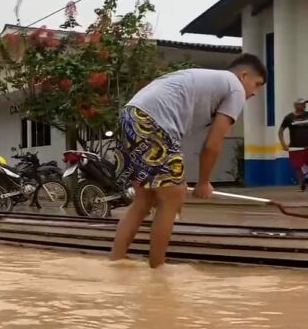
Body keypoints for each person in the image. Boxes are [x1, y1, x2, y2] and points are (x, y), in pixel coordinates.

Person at [110, 53, 267, 268]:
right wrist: (203, 182)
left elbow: (178, 143)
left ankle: (116, 263)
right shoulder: (235, 88)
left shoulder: (205, 80)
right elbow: (213, 143)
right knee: (172, 199)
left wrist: (179, 178)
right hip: (152, 122)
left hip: (130, 117)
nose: (255, 92)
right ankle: (158, 269)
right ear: (244, 75)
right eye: (257, 84)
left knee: (144, 200)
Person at [278, 98, 308, 191]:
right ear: (296, 105)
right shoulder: (289, 117)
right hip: (295, 146)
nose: (304, 106)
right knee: (297, 166)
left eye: (304, 104)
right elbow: (280, 131)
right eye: (301, 104)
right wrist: (283, 144)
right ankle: (301, 185)